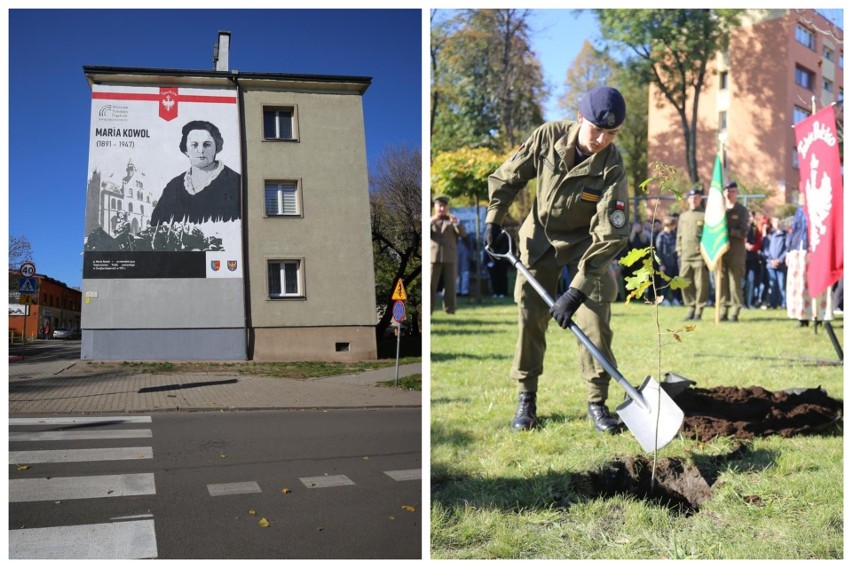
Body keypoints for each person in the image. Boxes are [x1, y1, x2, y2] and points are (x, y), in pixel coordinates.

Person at [484, 85, 630, 434]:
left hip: (586, 247)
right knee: (530, 318)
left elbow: (611, 233)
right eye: (597, 129)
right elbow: (508, 176)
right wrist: (493, 220)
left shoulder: (613, 165)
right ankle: (526, 397)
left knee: (595, 321)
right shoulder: (549, 136)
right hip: (539, 240)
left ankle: (597, 403)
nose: (602, 139)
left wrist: (576, 291)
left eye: (611, 133)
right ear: (580, 118)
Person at [150, 120, 241, 226]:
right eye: (194, 145)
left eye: (207, 145)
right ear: (186, 150)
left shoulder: (235, 183)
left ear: (217, 147)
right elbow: (156, 226)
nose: (201, 150)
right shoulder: (173, 187)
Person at [717, 181, 749, 322]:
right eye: (727, 191)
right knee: (721, 280)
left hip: (736, 251)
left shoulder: (742, 210)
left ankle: (735, 311)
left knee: (735, 281)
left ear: (737, 193)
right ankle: (723, 310)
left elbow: (744, 231)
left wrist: (728, 231)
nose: (730, 194)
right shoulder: (718, 210)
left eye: (733, 191)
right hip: (721, 250)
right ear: (723, 193)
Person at [677, 187, 709, 320]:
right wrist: (679, 250)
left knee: (701, 284)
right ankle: (691, 306)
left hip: (699, 256)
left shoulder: (705, 215)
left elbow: (709, 236)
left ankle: (699, 310)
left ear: (700, 199)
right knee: (684, 282)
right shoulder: (683, 216)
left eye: (696, 197)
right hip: (685, 256)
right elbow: (679, 235)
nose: (693, 200)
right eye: (691, 198)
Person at [430, 195, 466, 314]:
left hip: (450, 258)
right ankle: (429, 310)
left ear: (447, 207)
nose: (441, 208)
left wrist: (456, 223)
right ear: (435, 207)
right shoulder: (430, 220)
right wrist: (431, 221)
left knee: (450, 287)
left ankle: (450, 309)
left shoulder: (452, 220)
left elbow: (463, 234)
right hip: (433, 258)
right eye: (439, 206)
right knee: (430, 286)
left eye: (444, 206)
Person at [761, 216, 787, 309]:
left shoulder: (785, 235)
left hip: (781, 265)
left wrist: (780, 260)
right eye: (775, 222)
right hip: (770, 265)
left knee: (782, 285)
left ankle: (784, 304)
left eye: (778, 222)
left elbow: (786, 249)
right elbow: (765, 249)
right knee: (773, 285)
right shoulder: (769, 236)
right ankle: (773, 304)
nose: (777, 224)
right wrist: (771, 260)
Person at [654, 216, 679, 305]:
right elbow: (658, 252)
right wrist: (661, 264)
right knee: (665, 282)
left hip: (673, 263)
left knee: (674, 282)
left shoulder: (673, 234)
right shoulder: (661, 236)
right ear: (670, 225)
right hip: (665, 264)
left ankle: (676, 299)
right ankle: (663, 299)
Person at [744, 210, 764, 309]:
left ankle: (750, 302)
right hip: (742, 257)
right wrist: (745, 245)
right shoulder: (742, 226)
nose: (750, 219)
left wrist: (753, 247)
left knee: (751, 281)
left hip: (752, 258)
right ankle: (742, 303)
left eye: (752, 217)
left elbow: (759, 242)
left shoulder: (756, 229)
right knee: (742, 282)